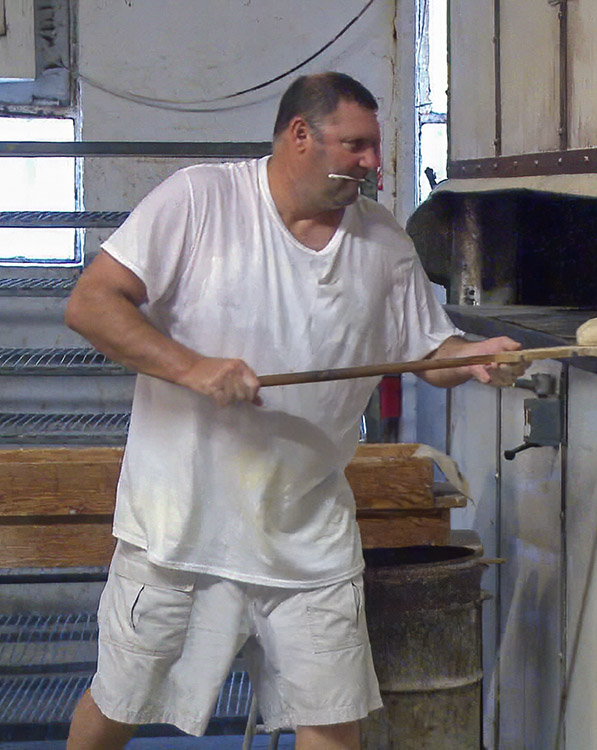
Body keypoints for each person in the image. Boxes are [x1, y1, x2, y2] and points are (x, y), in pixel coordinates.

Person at [63, 72, 524, 750]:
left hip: (307, 531)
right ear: (299, 135)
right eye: (356, 145)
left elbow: (432, 354)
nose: (372, 163)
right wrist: (192, 367)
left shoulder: (382, 245)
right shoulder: (201, 201)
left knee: (335, 726)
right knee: (117, 706)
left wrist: (475, 357)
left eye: (373, 147)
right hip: (179, 526)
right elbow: (91, 303)